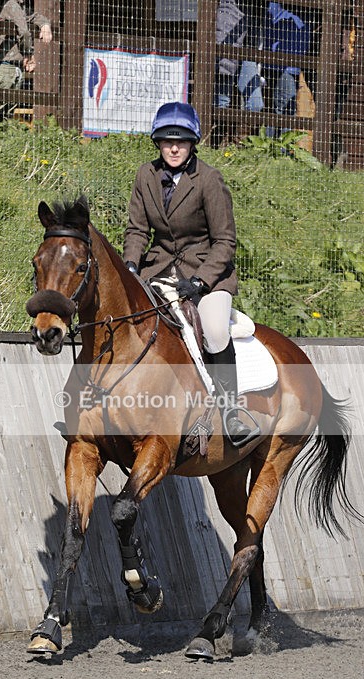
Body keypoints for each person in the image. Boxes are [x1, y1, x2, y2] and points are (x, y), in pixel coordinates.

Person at [123, 102, 256, 446]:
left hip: (206, 274)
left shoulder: (209, 180)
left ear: (193, 142)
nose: (174, 148)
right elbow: (137, 230)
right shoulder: (145, 176)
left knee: (212, 331)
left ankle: (231, 412)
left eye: (181, 141)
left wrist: (200, 281)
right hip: (159, 270)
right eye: (167, 141)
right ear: (158, 143)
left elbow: (225, 240)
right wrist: (131, 266)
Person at [0, 0, 52, 127]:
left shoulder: (19, 8)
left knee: (7, 110)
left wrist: (45, 24)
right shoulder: (12, 4)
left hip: (15, 66)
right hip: (6, 65)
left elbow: (34, 17)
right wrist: (29, 54)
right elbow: (24, 32)